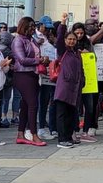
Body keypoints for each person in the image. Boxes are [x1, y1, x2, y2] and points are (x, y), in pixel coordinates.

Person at [9, 17, 47, 146]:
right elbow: (22, 59)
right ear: (23, 26)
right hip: (22, 74)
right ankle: (33, 134)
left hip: (33, 74)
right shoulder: (17, 40)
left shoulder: (32, 40)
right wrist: (40, 61)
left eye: (33, 26)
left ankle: (20, 134)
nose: (32, 29)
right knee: (33, 104)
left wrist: (42, 59)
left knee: (26, 105)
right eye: (30, 26)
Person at [53, 13, 85, 148]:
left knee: (71, 115)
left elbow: (81, 70)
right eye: (69, 39)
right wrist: (63, 23)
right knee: (62, 114)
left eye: (73, 39)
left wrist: (82, 81)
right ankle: (62, 138)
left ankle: (68, 136)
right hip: (64, 87)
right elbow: (59, 38)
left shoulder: (77, 53)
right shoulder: (63, 51)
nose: (71, 41)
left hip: (75, 89)